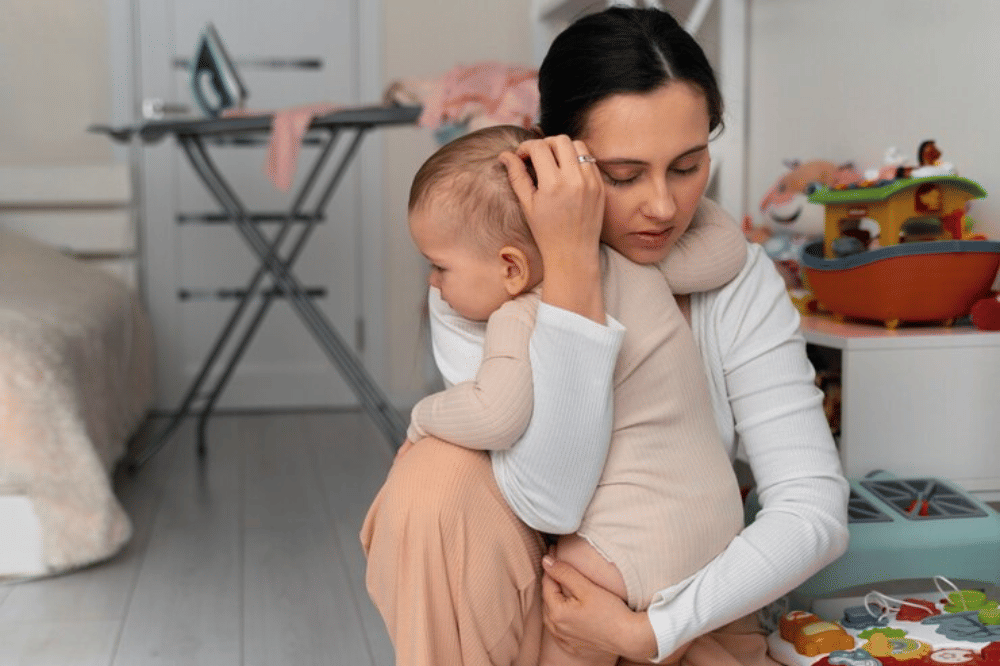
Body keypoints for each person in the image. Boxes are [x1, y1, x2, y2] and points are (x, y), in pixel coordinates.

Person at [362, 7, 850, 666]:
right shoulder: (483, 278)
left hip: (673, 598)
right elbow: (551, 500)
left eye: (687, 165)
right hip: (536, 602)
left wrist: (653, 631)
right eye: (623, 175)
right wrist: (569, 276)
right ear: (550, 156)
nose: (662, 207)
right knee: (432, 476)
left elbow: (812, 508)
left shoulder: (733, 277)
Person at [401, 123, 749, 666]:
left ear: (512, 268)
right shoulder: (634, 260)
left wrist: (422, 418)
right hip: (720, 523)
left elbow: (496, 415)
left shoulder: (517, 317)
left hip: (629, 546)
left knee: (563, 608)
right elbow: (728, 250)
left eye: (439, 266)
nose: (433, 285)